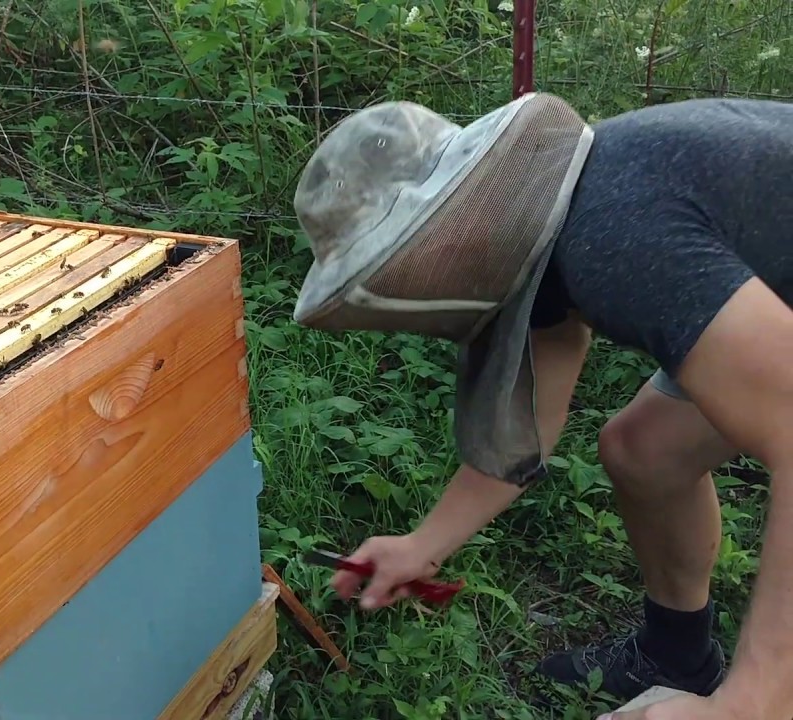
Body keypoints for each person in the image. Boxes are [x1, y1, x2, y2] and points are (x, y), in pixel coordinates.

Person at [289, 91, 793, 720]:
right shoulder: (558, 223)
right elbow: (533, 407)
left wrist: (755, 702)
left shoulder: (615, 236)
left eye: (399, 267)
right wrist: (424, 543)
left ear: (448, 221)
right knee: (646, 452)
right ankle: (677, 656)